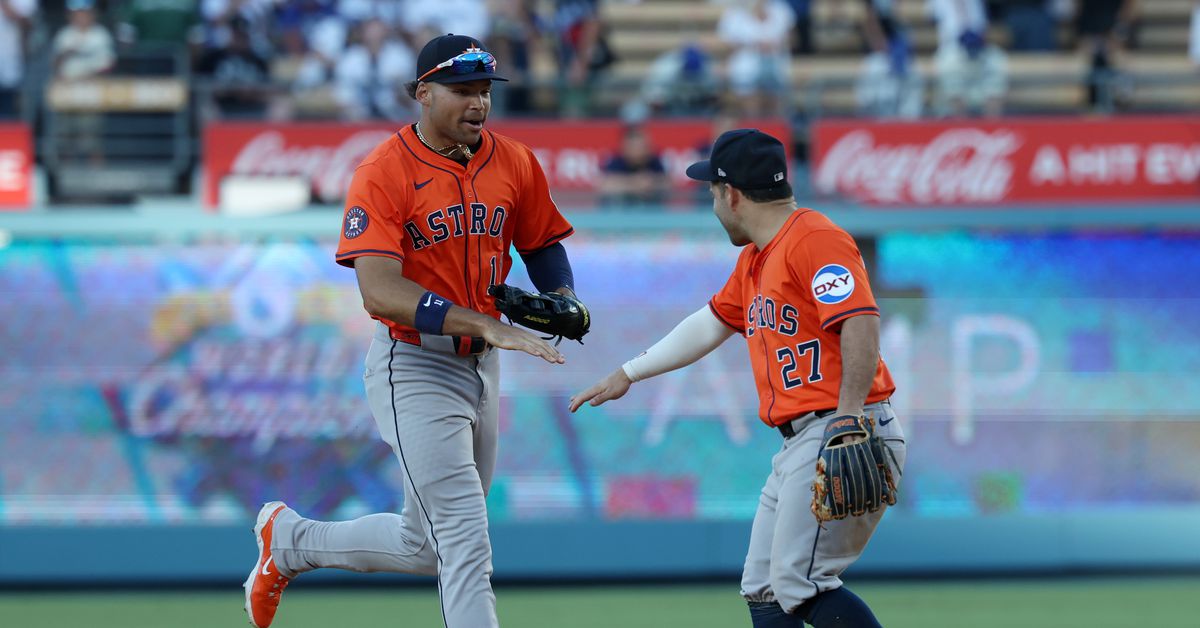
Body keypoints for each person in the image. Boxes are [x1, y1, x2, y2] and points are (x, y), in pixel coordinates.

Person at [243, 34, 582, 628]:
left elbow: (542, 244)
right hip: (415, 365)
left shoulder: (514, 160)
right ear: (423, 93)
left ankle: (291, 541)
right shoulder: (383, 171)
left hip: (483, 364)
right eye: (462, 90)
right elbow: (380, 291)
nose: (478, 103)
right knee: (464, 539)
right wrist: (483, 322)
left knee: (427, 545)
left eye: (484, 90)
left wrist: (563, 297)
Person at [570, 129, 906, 628]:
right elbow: (709, 323)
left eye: (711, 192)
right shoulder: (754, 259)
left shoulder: (815, 239)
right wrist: (629, 372)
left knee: (799, 583)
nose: (712, 204)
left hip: (843, 427)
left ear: (731, 193)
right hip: (804, 438)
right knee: (764, 588)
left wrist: (849, 416)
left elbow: (860, 321)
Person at [599, 125, 669, 206]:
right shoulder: (616, 161)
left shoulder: (653, 161)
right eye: (635, 146)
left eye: (643, 146)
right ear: (626, 147)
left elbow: (668, 183)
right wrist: (634, 183)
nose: (639, 150)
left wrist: (652, 182)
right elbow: (604, 185)